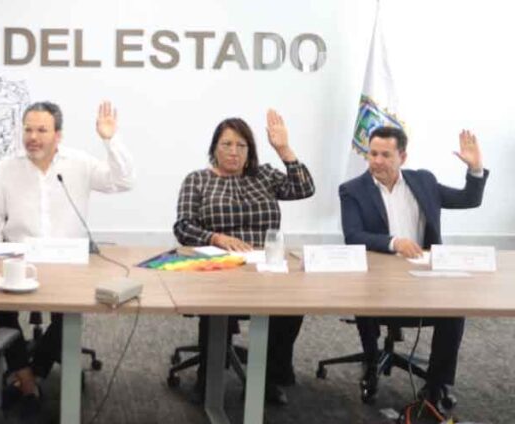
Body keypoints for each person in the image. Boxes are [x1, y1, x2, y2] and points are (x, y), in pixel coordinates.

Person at [0, 100, 134, 416]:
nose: (33, 137)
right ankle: (26, 376)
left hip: (67, 259)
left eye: (41, 130)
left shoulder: (79, 163)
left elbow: (123, 181)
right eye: (28, 130)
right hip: (19, 254)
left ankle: (32, 373)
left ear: (58, 134)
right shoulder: (7, 167)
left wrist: (110, 140)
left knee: (70, 313)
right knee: (0, 306)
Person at [340, 126, 487, 411]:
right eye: (372, 153)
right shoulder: (352, 190)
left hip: (424, 278)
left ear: (402, 157)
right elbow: (353, 235)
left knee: (455, 310)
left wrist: (475, 169)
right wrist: (394, 242)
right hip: (377, 280)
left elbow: (469, 199)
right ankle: (371, 363)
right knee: (363, 297)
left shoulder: (423, 182)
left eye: (385, 155)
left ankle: (436, 384)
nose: (377, 161)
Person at [173, 110, 314, 405]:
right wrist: (216, 237)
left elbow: (304, 189)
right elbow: (183, 227)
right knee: (217, 306)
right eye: (227, 144)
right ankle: (208, 377)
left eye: (241, 145)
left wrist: (284, 149)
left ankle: (268, 378)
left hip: (265, 265)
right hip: (219, 267)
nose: (234, 151)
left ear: (250, 151)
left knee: (292, 305)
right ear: (214, 148)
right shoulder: (198, 180)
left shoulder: (264, 176)